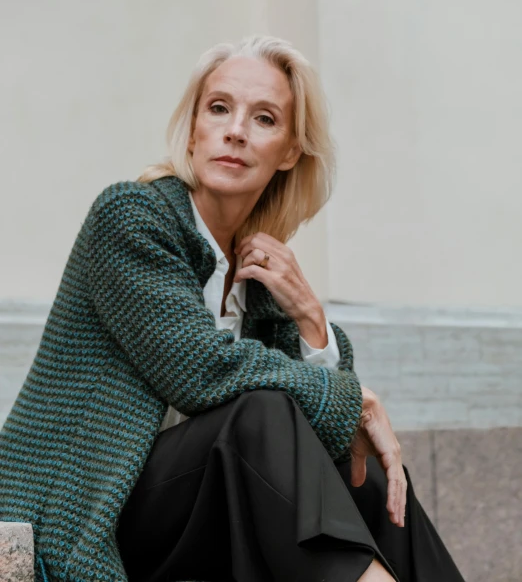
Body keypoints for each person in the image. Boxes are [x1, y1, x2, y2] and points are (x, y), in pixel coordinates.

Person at [0, 35, 465, 582]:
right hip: (90, 510)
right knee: (261, 415)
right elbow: (204, 370)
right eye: (219, 108)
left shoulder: (258, 273)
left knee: (365, 477)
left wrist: (312, 321)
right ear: (193, 128)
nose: (236, 130)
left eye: (264, 118)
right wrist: (356, 401)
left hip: (198, 515)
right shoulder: (131, 218)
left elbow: (325, 432)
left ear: (290, 151)